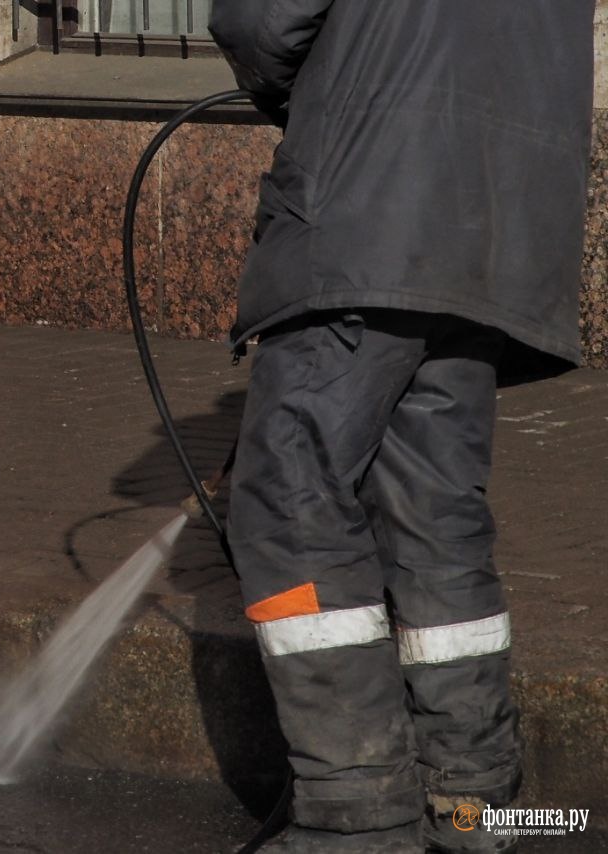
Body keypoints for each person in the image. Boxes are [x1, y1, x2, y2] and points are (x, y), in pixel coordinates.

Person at [206, 2, 593, 852]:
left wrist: (296, 87)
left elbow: (261, 22)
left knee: (288, 497)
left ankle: (357, 817)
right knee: (433, 507)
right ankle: (475, 804)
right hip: (499, 217)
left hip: (370, 206)